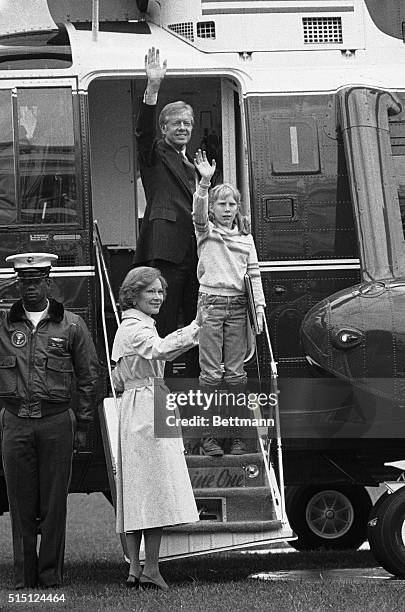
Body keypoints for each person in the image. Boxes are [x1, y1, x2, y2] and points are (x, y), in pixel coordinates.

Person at [0, 252, 99, 589]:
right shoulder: (3, 325)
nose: (30, 287)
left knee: (55, 502)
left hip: (57, 421)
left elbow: (89, 377)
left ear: (49, 282)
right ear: (17, 283)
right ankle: (24, 577)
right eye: (24, 281)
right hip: (15, 421)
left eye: (37, 281)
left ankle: (50, 575)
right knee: (20, 502)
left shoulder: (71, 324)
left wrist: (83, 424)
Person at [111, 266, 199, 592]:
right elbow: (160, 349)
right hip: (147, 404)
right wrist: (198, 327)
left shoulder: (133, 326)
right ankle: (150, 568)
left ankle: (137, 568)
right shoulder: (136, 327)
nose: (158, 296)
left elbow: (161, 349)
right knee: (155, 489)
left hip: (141, 401)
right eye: (151, 291)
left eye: (160, 291)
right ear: (134, 294)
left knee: (137, 489)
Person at [192, 150, 266, 456]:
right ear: (213, 209)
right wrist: (205, 184)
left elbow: (254, 274)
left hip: (238, 307)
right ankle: (209, 438)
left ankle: (237, 438)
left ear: (238, 208)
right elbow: (197, 212)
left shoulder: (246, 238)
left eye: (231, 203)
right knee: (210, 376)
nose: (226, 208)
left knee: (236, 376)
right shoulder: (205, 232)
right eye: (221, 204)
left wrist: (258, 309)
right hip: (210, 304)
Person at [133, 47, 199, 378]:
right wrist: (153, 87)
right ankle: (165, 390)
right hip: (166, 252)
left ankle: (198, 391)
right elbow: (143, 132)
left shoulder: (196, 163)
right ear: (164, 128)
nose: (183, 127)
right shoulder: (155, 152)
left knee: (197, 326)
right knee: (166, 326)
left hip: (197, 255)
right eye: (176, 123)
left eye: (187, 122)